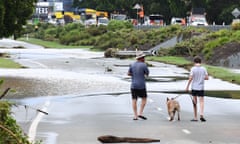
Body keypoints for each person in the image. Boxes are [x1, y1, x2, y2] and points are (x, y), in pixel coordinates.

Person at [186, 56, 209, 122]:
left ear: (194, 62)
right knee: (201, 101)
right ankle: (201, 114)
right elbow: (207, 78)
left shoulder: (193, 69)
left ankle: (195, 117)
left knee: (194, 102)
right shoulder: (204, 69)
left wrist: (187, 86)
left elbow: (191, 78)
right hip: (201, 87)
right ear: (200, 62)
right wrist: (202, 78)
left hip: (194, 87)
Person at [128, 52, 149, 120]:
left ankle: (135, 115)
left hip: (133, 85)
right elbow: (147, 74)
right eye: (143, 57)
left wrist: (134, 75)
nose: (144, 58)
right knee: (144, 98)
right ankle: (140, 113)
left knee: (134, 100)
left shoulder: (132, 64)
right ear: (141, 58)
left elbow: (128, 73)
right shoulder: (144, 65)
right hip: (141, 85)